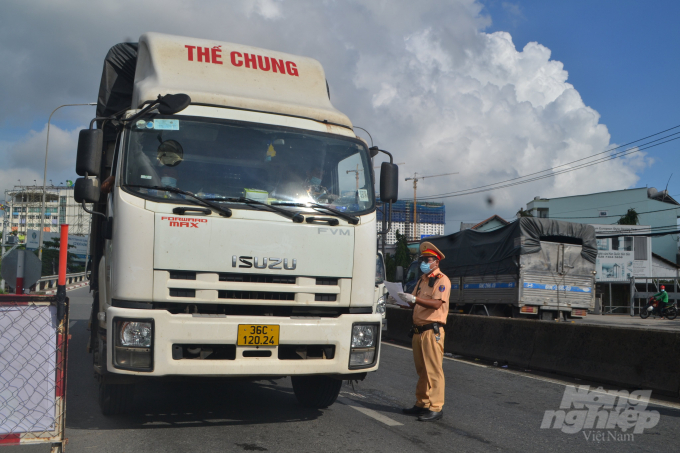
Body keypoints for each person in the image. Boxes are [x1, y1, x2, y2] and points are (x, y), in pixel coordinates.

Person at [397, 242, 451, 422]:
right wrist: (400, 298)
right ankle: (422, 403)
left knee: (433, 370)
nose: (424, 263)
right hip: (418, 331)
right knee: (422, 370)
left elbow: (437, 303)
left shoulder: (442, 280)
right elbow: (414, 302)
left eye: (427, 260)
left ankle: (436, 407)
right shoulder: (422, 280)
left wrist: (414, 298)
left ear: (436, 261)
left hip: (431, 330)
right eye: (422, 260)